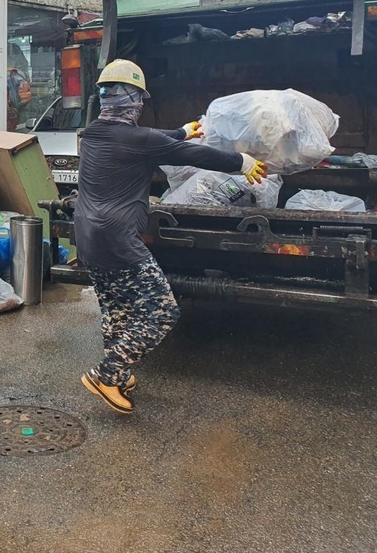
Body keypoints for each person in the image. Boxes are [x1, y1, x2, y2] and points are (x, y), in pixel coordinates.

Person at [75, 60, 267, 414]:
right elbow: (192, 153)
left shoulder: (92, 134)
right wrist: (241, 162)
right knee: (161, 312)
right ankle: (106, 375)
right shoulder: (141, 139)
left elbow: (153, 141)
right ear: (134, 100)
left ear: (105, 99)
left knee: (117, 310)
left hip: (87, 237)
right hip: (118, 241)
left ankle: (118, 373)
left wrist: (182, 130)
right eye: (138, 100)